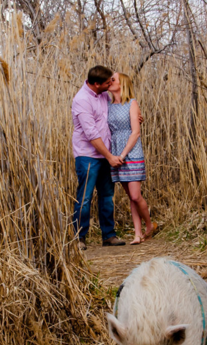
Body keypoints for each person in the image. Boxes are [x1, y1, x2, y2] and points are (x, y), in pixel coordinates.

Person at [72, 65, 126, 250]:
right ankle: (79, 238)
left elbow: (111, 116)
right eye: (107, 82)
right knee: (85, 197)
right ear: (96, 84)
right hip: (88, 155)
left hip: (106, 155)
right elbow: (92, 134)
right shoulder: (81, 100)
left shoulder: (103, 94)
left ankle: (108, 236)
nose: (110, 84)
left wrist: (133, 117)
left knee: (107, 196)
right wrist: (110, 156)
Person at [108, 73, 157, 245]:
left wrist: (122, 154)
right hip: (115, 151)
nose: (109, 81)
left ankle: (149, 226)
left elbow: (136, 132)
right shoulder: (107, 105)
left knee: (136, 196)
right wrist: (114, 155)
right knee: (130, 197)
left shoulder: (131, 103)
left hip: (131, 151)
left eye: (113, 79)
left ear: (122, 83)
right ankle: (137, 234)